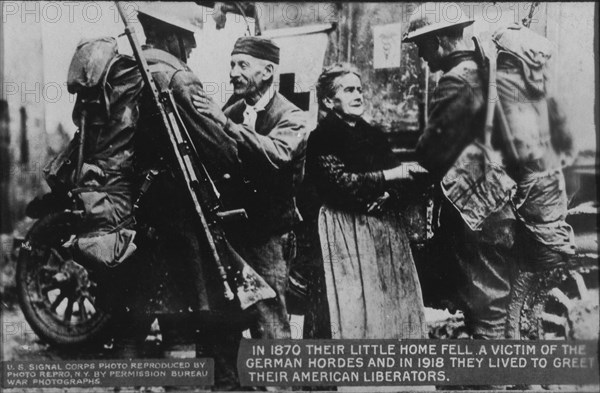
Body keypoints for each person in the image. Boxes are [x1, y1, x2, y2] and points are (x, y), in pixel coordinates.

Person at [402, 3, 576, 340]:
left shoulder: (458, 80)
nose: (422, 57)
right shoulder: (488, 73)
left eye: (421, 46)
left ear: (438, 40)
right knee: (498, 300)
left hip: (479, 215)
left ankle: (494, 381)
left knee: (486, 309)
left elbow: (430, 151)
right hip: (503, 202)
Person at [191, 36, 308, 387]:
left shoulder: (293, 118)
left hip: (268, 239)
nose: (233, 73)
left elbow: (275, 153)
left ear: (268, 70)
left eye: (242, 65)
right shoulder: (232, 110)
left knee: (270, 324)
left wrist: (221, 124)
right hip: (233, 239)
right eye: (231, 65)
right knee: (222, 324)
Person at [305, 63, 428, 342]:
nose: (358, 95)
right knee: (350, 306)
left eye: (360, 89)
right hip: (343, 233)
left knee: (387, 302)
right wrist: (388, 177)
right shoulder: (322, 138)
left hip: (383, 232)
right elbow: (339, 183)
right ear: (328, 100)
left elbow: (404, 180)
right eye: (348, 90)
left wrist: (389, 195)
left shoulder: (373, 135)